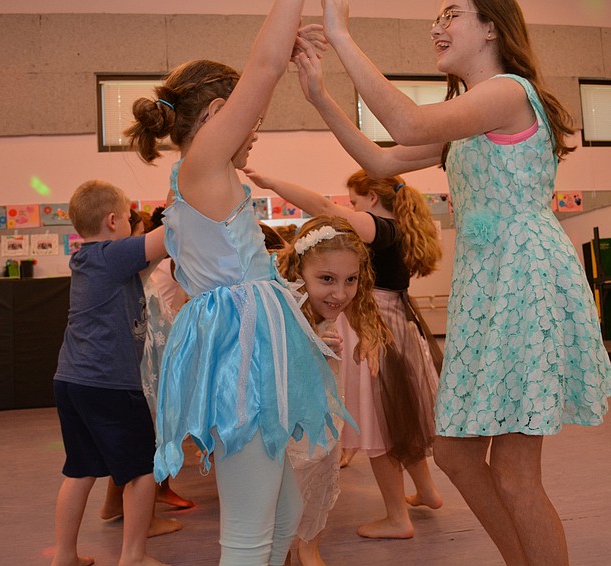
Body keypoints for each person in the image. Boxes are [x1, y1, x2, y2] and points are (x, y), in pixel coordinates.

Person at [291, 0, 611, 563]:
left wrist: (342, 36)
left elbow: (408, 123)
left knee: (515, 474)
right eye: (437, 17)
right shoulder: (469, 119)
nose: (437, 26)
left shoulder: (509, 93)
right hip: (487, 287)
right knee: (456, 455)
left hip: (523, 281)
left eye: (452, 14)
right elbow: (380, 156)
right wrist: (319, 92)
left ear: (492, 25)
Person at [124, 3, 350, 564]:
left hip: (246, 351)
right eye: (252, 119)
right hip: (240, 364)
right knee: (248, 533)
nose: (255, 132)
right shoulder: (203, 164)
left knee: (284, 511)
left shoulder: (204, 175)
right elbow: (267, 64)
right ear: (221, 113)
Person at [246, 170, 444, 540]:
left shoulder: (379, 227)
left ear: (372, 198)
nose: (350, 211)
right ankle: (427, 491)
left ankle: (398, 517)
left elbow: (321, 207)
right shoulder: (399, 227)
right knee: (398, 416)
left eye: (353, 203)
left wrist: (275, 183)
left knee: (377, 424)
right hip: (394, 321)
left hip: (376, 325)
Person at [51, 179, 167, 566]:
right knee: (142, 470)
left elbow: (153, 252)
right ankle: (133, 556)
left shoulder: (88, 258)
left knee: (81, 469)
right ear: (114, 220)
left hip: (72, 380)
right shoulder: (111, 254)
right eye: (131, 218)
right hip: (109, 383)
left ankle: (64, 555)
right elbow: (170, 235)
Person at [277, 215, 391, 565]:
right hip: (287, 425)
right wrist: (306, 342)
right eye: (326, 279)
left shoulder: (335, 301)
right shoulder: (281, 306)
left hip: (325, 416)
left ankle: (309, 547)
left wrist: (370, 333)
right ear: (300, 271)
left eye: (351, 280)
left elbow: (359, 307)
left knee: (321, 474)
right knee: (286, 493)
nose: (340, 293)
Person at [99, 208, 192, 534]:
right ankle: (144, 519)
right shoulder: (131, 269)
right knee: (148, 439)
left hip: (151, 362)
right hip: (145, 368)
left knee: (148, 437)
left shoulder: (137, 273)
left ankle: (117, 504)